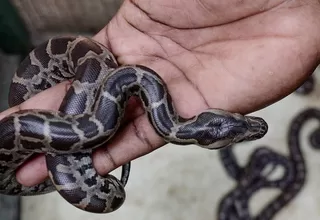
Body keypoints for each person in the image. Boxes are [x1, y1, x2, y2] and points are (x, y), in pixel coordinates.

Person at [3, 0, 320, 187]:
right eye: (238, 126)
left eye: (237, 131)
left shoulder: (139, 81)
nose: (247, 128)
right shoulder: (138, 83)